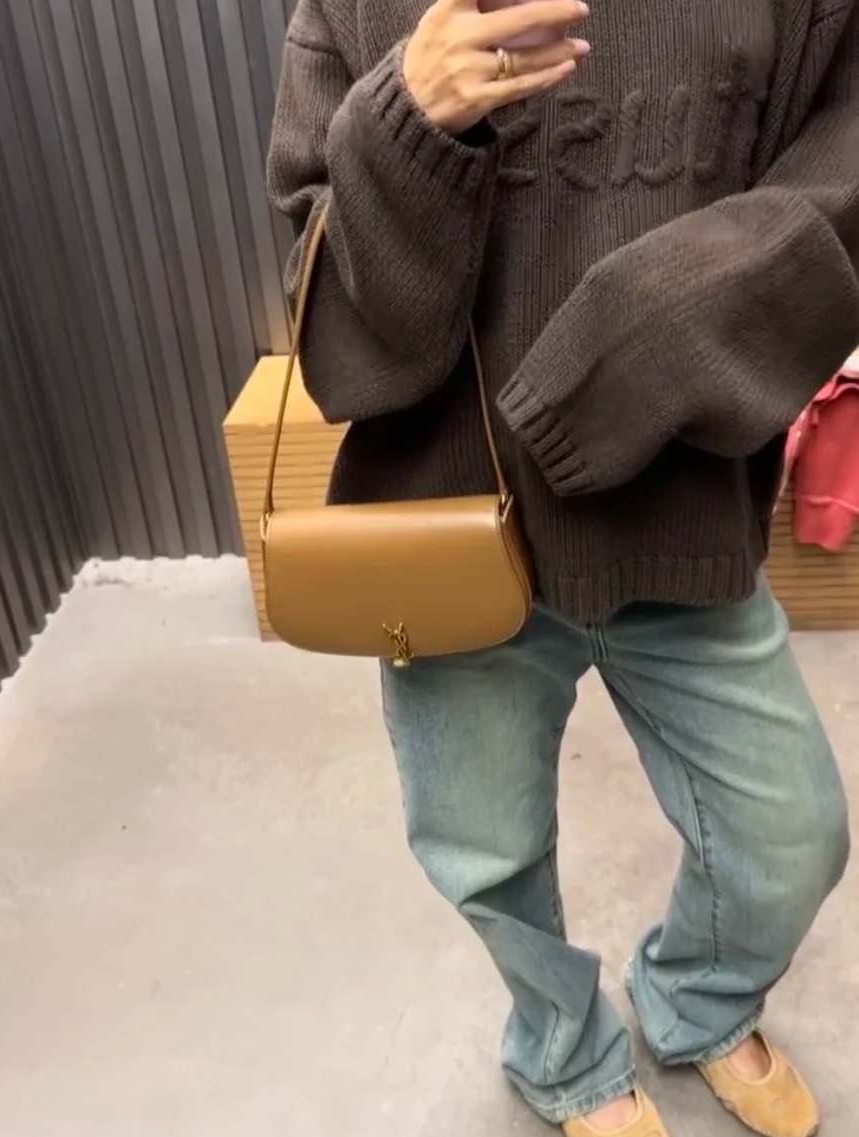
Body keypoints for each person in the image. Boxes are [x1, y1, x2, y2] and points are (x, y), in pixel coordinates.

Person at [266, 0, 859, 1131]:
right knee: (482, 851)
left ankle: (695, 998)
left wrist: (624, 349)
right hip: (443, 529)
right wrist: (406, 128)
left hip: (676, 510)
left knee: (790, 837)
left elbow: (838, 195)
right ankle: (558, 1048)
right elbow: (337, 344)